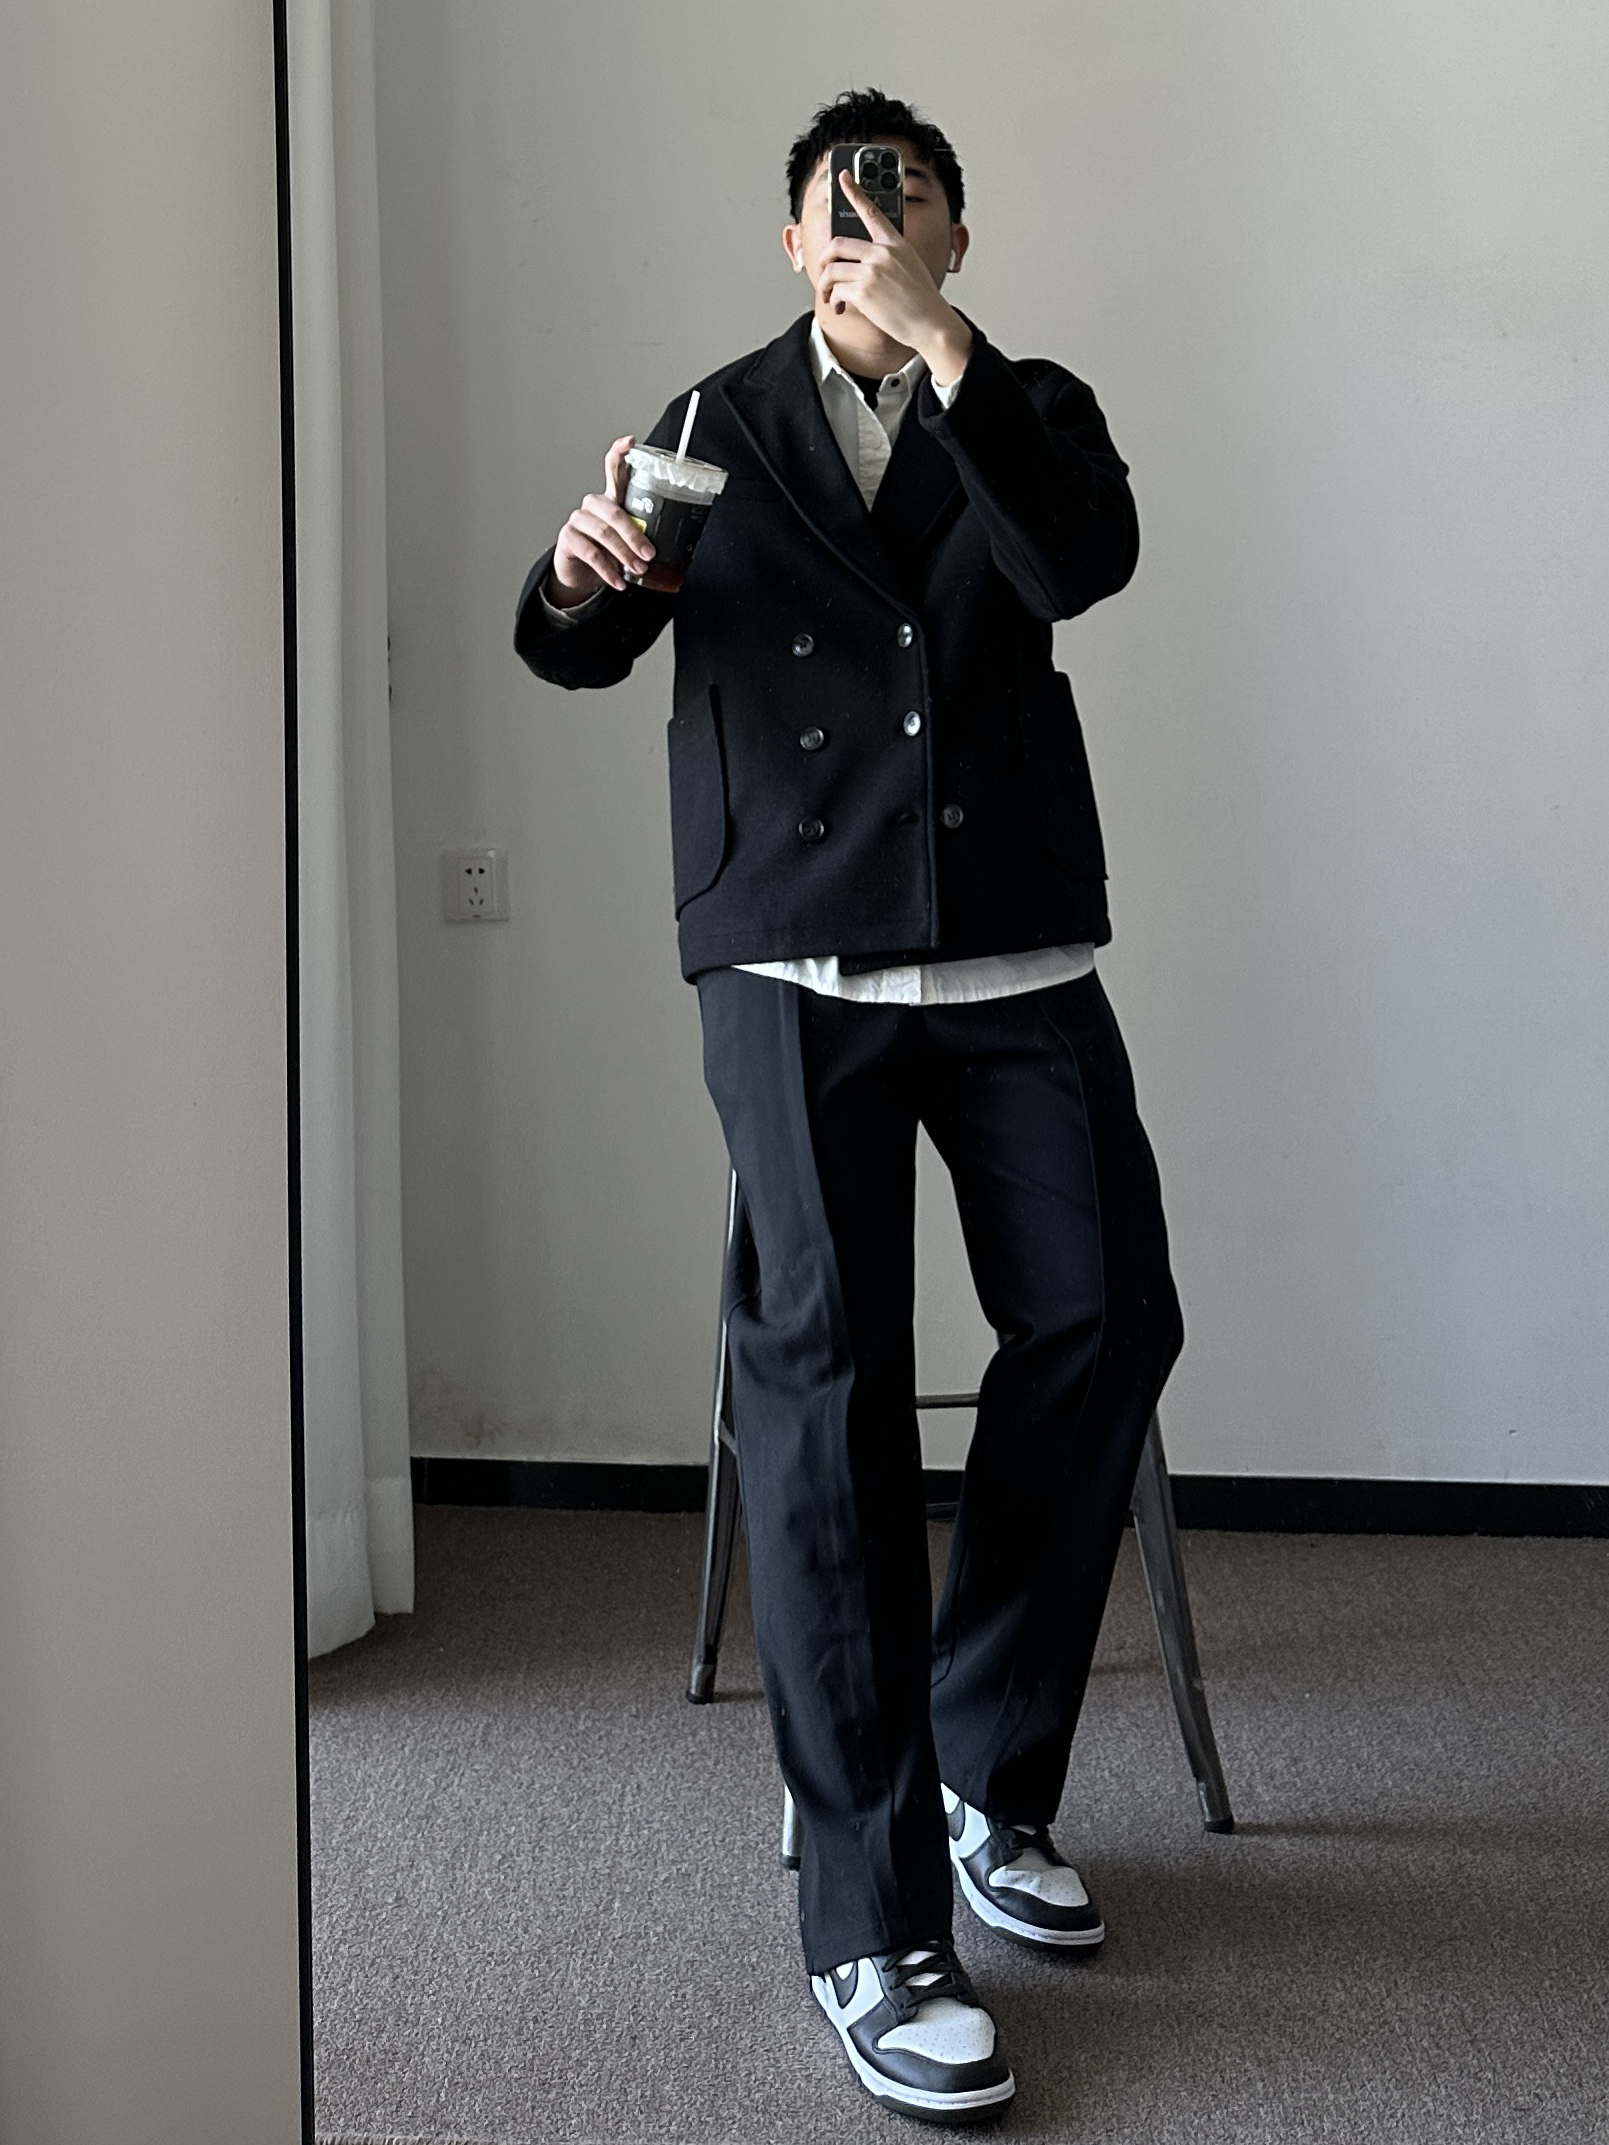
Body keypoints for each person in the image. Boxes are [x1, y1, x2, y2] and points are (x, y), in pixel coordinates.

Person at [515, 87, 1183, 2126]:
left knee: (1105, 1315)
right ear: (791, 244)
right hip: (792, 955)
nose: (866, 233)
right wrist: (577, 569)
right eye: (834, 210)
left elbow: (1077, 565)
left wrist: (950, 352)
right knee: (825, 1383)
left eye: (903, 209)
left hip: (1009, 943)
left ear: (952, 238)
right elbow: (572, 646)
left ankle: (981, 1766)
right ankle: (867, 1916)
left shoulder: (1028, 405)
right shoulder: (711, 422)